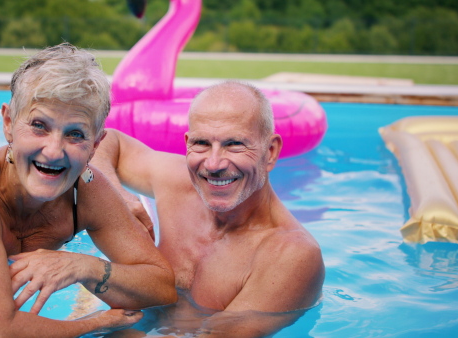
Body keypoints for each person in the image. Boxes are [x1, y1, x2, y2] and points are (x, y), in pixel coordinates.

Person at [0, 43, 177, 336]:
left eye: (75, 134)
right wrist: (94, 324)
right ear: (8, 123)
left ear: (95, 146)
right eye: (39, 126)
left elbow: (162, 287)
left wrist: (82, 267)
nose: (53, 152)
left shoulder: (86, 190)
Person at [86, 80, 326, 337]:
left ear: (270, 152)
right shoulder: (178, 182)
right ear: (187, 142)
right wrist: (117, 196)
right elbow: (107, 141)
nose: (213, 164)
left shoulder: (290, 257)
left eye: (234, 144)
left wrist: (87, 272)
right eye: (201, 143)